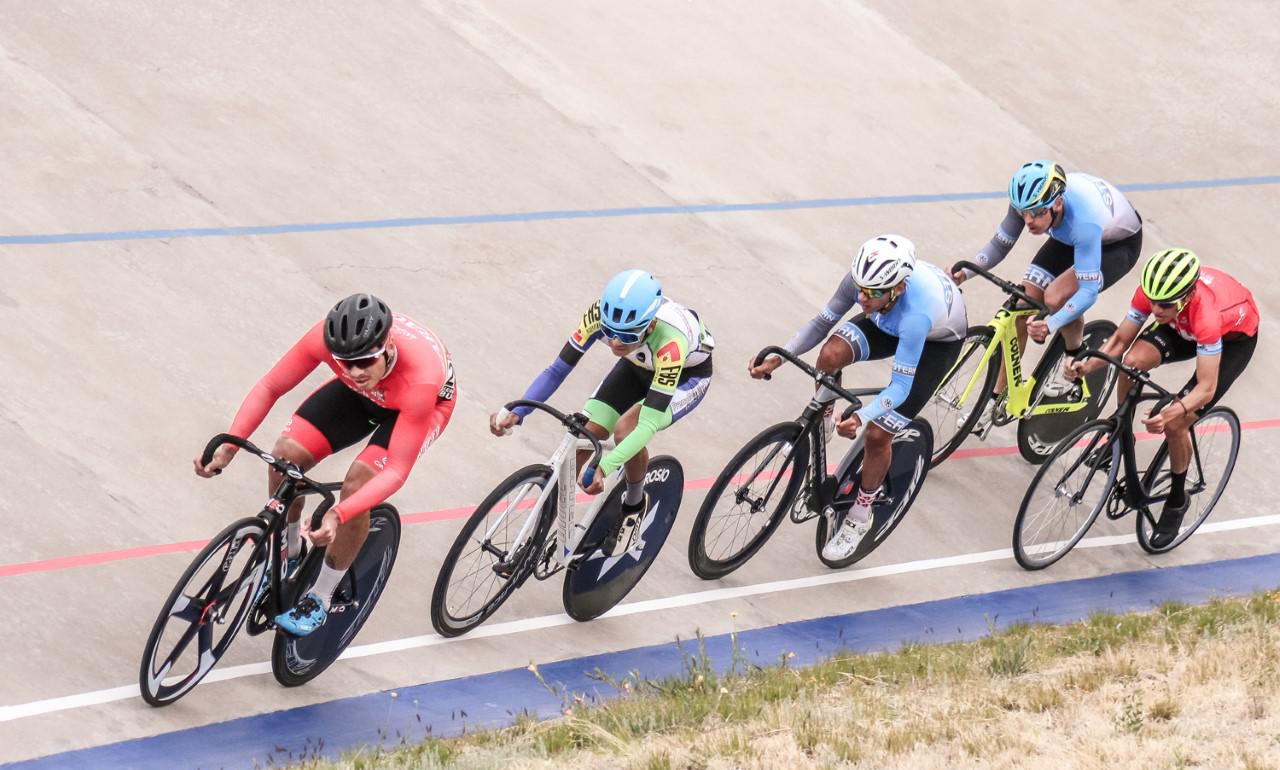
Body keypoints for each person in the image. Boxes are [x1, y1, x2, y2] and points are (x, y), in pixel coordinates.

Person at [195, 294, 456, 636]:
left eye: (366, 361)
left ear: (388, 347)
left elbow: (396, 471)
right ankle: (289, 552)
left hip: (419, 405)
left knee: (358, 486)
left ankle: (320, 596)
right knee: (284, 458)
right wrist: (230, 445)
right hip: (365, 397)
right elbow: (270, 386)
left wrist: (338, 513)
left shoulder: (421, 379)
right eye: (345, 362)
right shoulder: (324, 342)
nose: (356, 371)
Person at [751, 235, 967, 561]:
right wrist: (778, 358)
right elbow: (821, 324)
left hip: (934, 343)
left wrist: (861, 416)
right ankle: (822, 423)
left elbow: (899, 388)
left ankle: (860, 516)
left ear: (899, 288)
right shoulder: (866, 286)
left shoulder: (916, 316)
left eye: (873, 292)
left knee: (878, 434)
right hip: (886, 317)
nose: (863, 297)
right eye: (861, 289)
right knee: (830, 355)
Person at [490, 270, 713, 557]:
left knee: (626, 431)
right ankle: (534, 542)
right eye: (610, 333)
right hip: (636, 365)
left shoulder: (671, 343)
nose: (616, 342)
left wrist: (604, 467)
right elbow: (556, 370)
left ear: (650, 325)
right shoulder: (599, 315)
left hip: (685, 376)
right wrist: (518, 411)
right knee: (585, 435)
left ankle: (634, 507)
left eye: (626, 335)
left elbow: (647, 425)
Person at [1064, 248, 1258, 547]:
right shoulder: (1156, 296)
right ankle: (1120, 436)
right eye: (1152, 300)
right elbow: (1119, 341)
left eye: (1163, 304)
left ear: (1187, 296)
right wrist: (1087, 366)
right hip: (1180, 326)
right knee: (1131, 362)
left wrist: (1171, 412)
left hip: (1230, 340)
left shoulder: (1207, 315)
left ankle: (1177, 501)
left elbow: (1206, 388)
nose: (1155, 309)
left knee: (1177, 424)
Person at [952, 160, 1143, 399]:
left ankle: (1074, 355)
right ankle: (996, 398)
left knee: (1056, 298)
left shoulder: (1084, 222)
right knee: (1022, 306)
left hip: (1116, 245)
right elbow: (999, 246)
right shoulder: (1029, 203)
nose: (1028, 220)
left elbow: (1087, 292)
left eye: (1036, 213)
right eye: (1023, 213)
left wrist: (1050, 324)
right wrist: (964, 273)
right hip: (1068, 232)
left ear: (1058, 204)